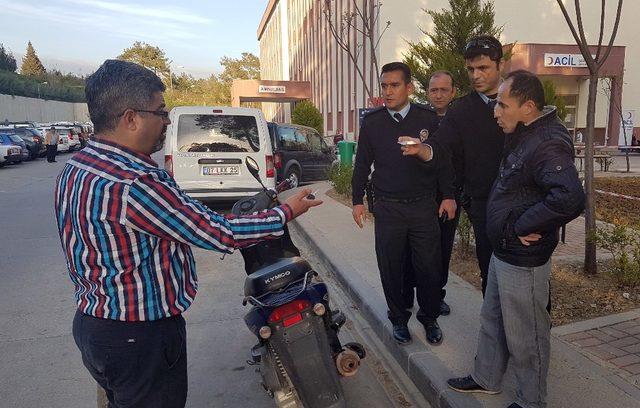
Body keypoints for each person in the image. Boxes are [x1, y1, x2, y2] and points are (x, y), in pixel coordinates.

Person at [54, 59, 322, 408]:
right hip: (140, 336)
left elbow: (186, 216)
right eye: (160, 112)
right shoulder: (135, 181)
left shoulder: (79, 166)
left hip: (95, 325)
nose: (166, 122)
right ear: (131, 117)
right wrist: (285, 212)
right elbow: (217, 233)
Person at [447, 70, 585, 408]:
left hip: (523, 258)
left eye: (503, 106)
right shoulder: (525, 131)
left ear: (528, 106)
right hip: (504, 250)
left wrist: (522, 225)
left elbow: (569, 198)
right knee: (492, 317)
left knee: (527, 337)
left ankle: (530, 401)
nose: (496, 112)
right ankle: (487, 377)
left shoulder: (548, 143)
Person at [351, 61, 455, 346]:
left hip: (423, 207)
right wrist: (356, 200)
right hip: (388, 208)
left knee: (428, 267)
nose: (388, 91)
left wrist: (448, 195)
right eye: (384, 85)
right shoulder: (373, 122)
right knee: (391, 267)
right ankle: (398, 318)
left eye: (394, 85)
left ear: (408, 87)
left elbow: (443, 161)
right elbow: (361, 164)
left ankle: (430, 318)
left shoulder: (427, 118)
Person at [434, 35, 506, 296]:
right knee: (490, 274)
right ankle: (495, 335)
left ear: (500, 65)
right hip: (483, 206)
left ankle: (536, 336)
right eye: (471, 69)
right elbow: (441, 151)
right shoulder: (460, 110)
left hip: (522, 207)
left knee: (532, 281)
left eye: (483, 68)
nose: (476, 75)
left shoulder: (521, 102)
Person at [402, 70, 458, 316]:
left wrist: (452, 193)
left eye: (444, 90)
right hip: (418, 196)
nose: (438, 95)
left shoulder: (459, 120)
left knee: (443, 248)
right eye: (434, 90)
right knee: (412, 248)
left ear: (453, 92)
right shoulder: (417, 117)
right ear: (427, 92)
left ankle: (437, 294)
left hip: (448, 195)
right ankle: (409, 293)